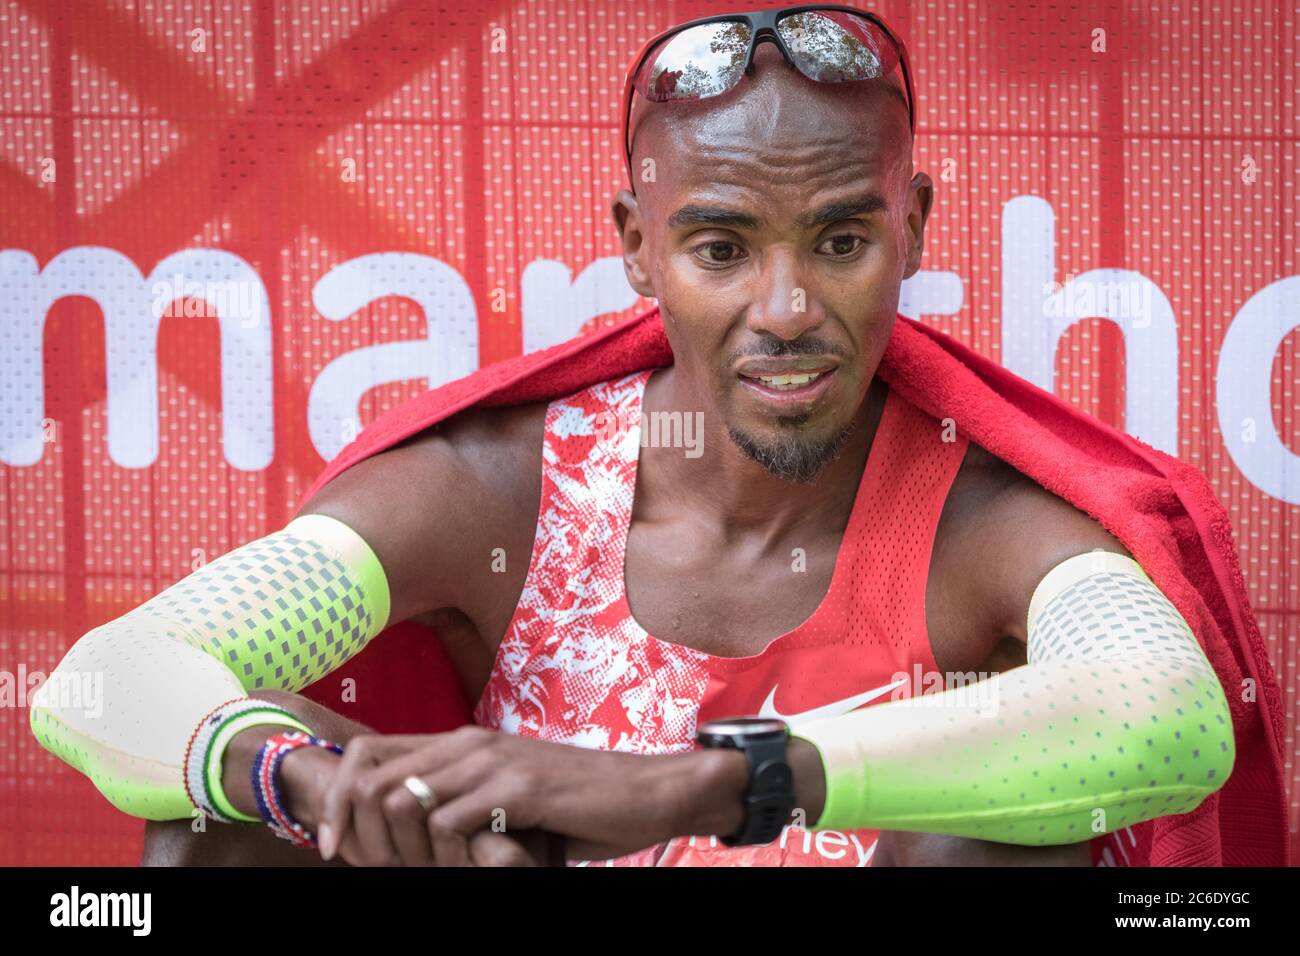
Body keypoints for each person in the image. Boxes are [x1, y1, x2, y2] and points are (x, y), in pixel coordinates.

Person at [31, 6, 1235, 867]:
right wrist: (297, 778)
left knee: (1001, 840)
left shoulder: (984, 517)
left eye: (840, 240)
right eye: (720, 248)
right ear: (634, 242)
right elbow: (101, 677)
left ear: (913, 226)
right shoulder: (505, 488)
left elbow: (1171, 716)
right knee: (220, 824)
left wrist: (699, 781)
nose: (786, 309)